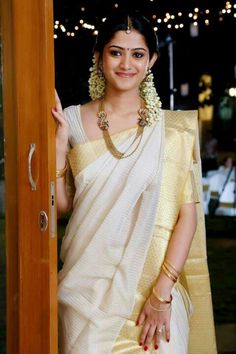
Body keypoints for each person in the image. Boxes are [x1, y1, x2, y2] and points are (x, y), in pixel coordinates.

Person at [52, 9, 217, 354]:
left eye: (137, 54)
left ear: (151, 60)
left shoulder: (170, 130)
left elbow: (186, 215)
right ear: (99, 57)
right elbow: (64, 206)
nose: (127, 63)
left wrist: (162, 292)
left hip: (151, 294)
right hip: (87, 291)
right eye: (116, 52)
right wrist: (57, 149)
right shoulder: (73, 120)